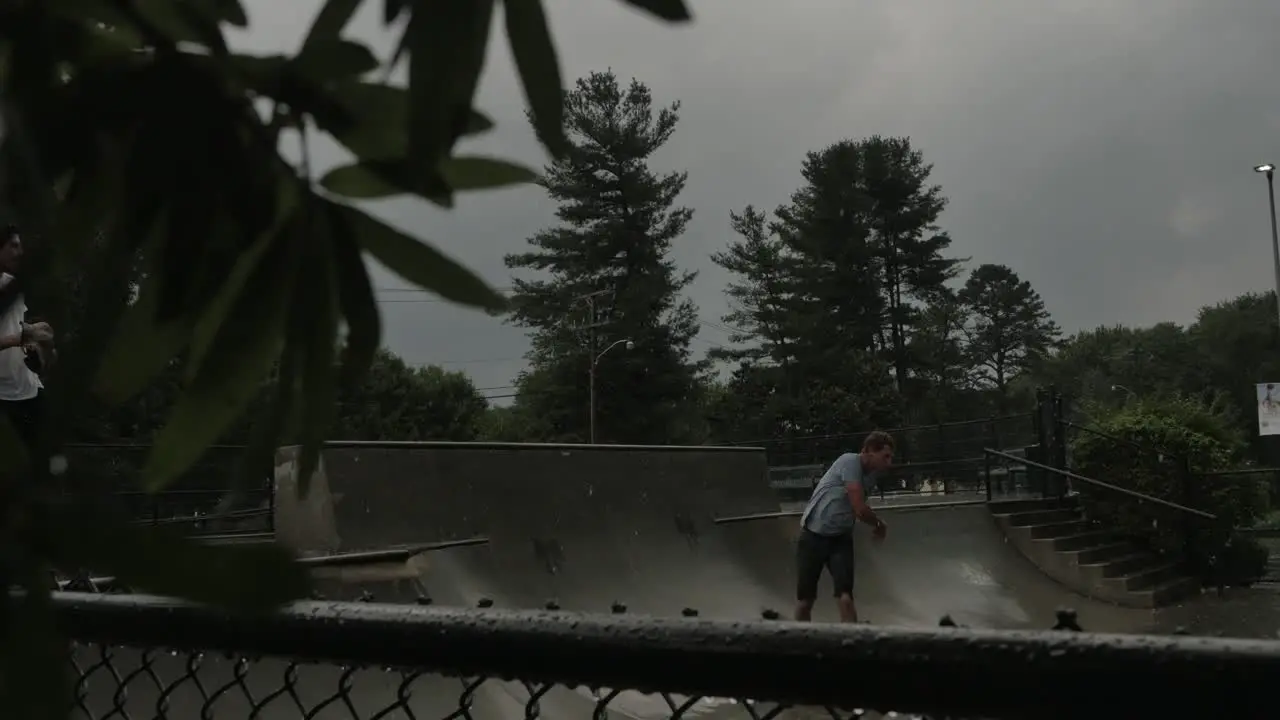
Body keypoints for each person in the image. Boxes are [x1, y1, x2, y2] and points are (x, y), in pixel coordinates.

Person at [794, 430, 894, 623]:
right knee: (805, 600)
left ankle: (851, 644)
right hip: (813, 536)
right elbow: (859, 508)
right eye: (885, 457)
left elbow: (858, 506)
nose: (888, 463)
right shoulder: (849, 461)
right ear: (868, 451)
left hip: (840, 539)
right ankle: (798, 641)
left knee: (845, 598)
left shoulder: (872, 476)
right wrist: (879, 524)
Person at [0, 225, 54, 455]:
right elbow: (18, 336)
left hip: (29, 391)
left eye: (21, 246)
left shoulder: (15, 285)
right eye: (13, 245)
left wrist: (39, 342)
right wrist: (22, 337)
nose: (19, 251)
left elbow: (22, 331)